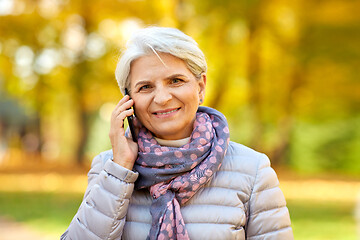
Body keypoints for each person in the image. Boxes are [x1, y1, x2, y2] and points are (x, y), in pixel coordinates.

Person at [61, 26, 293, 240]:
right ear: (128, 100)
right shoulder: (108, 168)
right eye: (145, 87)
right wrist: (121, 169)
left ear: (200, 86)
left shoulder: (252, 171)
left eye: (175, 81)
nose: (162, 98)